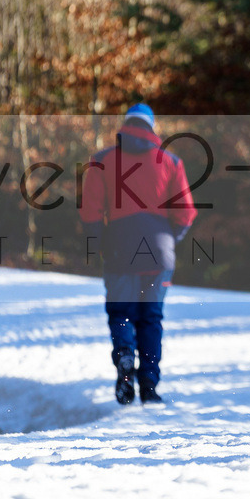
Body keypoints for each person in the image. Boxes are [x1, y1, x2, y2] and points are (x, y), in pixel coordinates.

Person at [79, 104, 198, 405]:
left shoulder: (102, 160)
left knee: (121, 313)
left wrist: (99, 243)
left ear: (126, 125)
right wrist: (170, 238)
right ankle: (149, 385)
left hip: (119, 247)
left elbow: (90, 211)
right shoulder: (170, 161)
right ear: (152, 127)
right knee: (150, 318)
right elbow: (185, 214)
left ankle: (124, 362)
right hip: (159, 252)